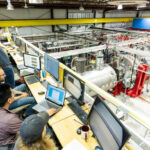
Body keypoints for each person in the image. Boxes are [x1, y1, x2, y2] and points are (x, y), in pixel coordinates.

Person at [0, 83, 22, 150]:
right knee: (48, 131)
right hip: (6, 145)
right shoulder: (10, 119)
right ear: (9, 100)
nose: (13, 95)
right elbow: (27, 131)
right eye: (12, 94)